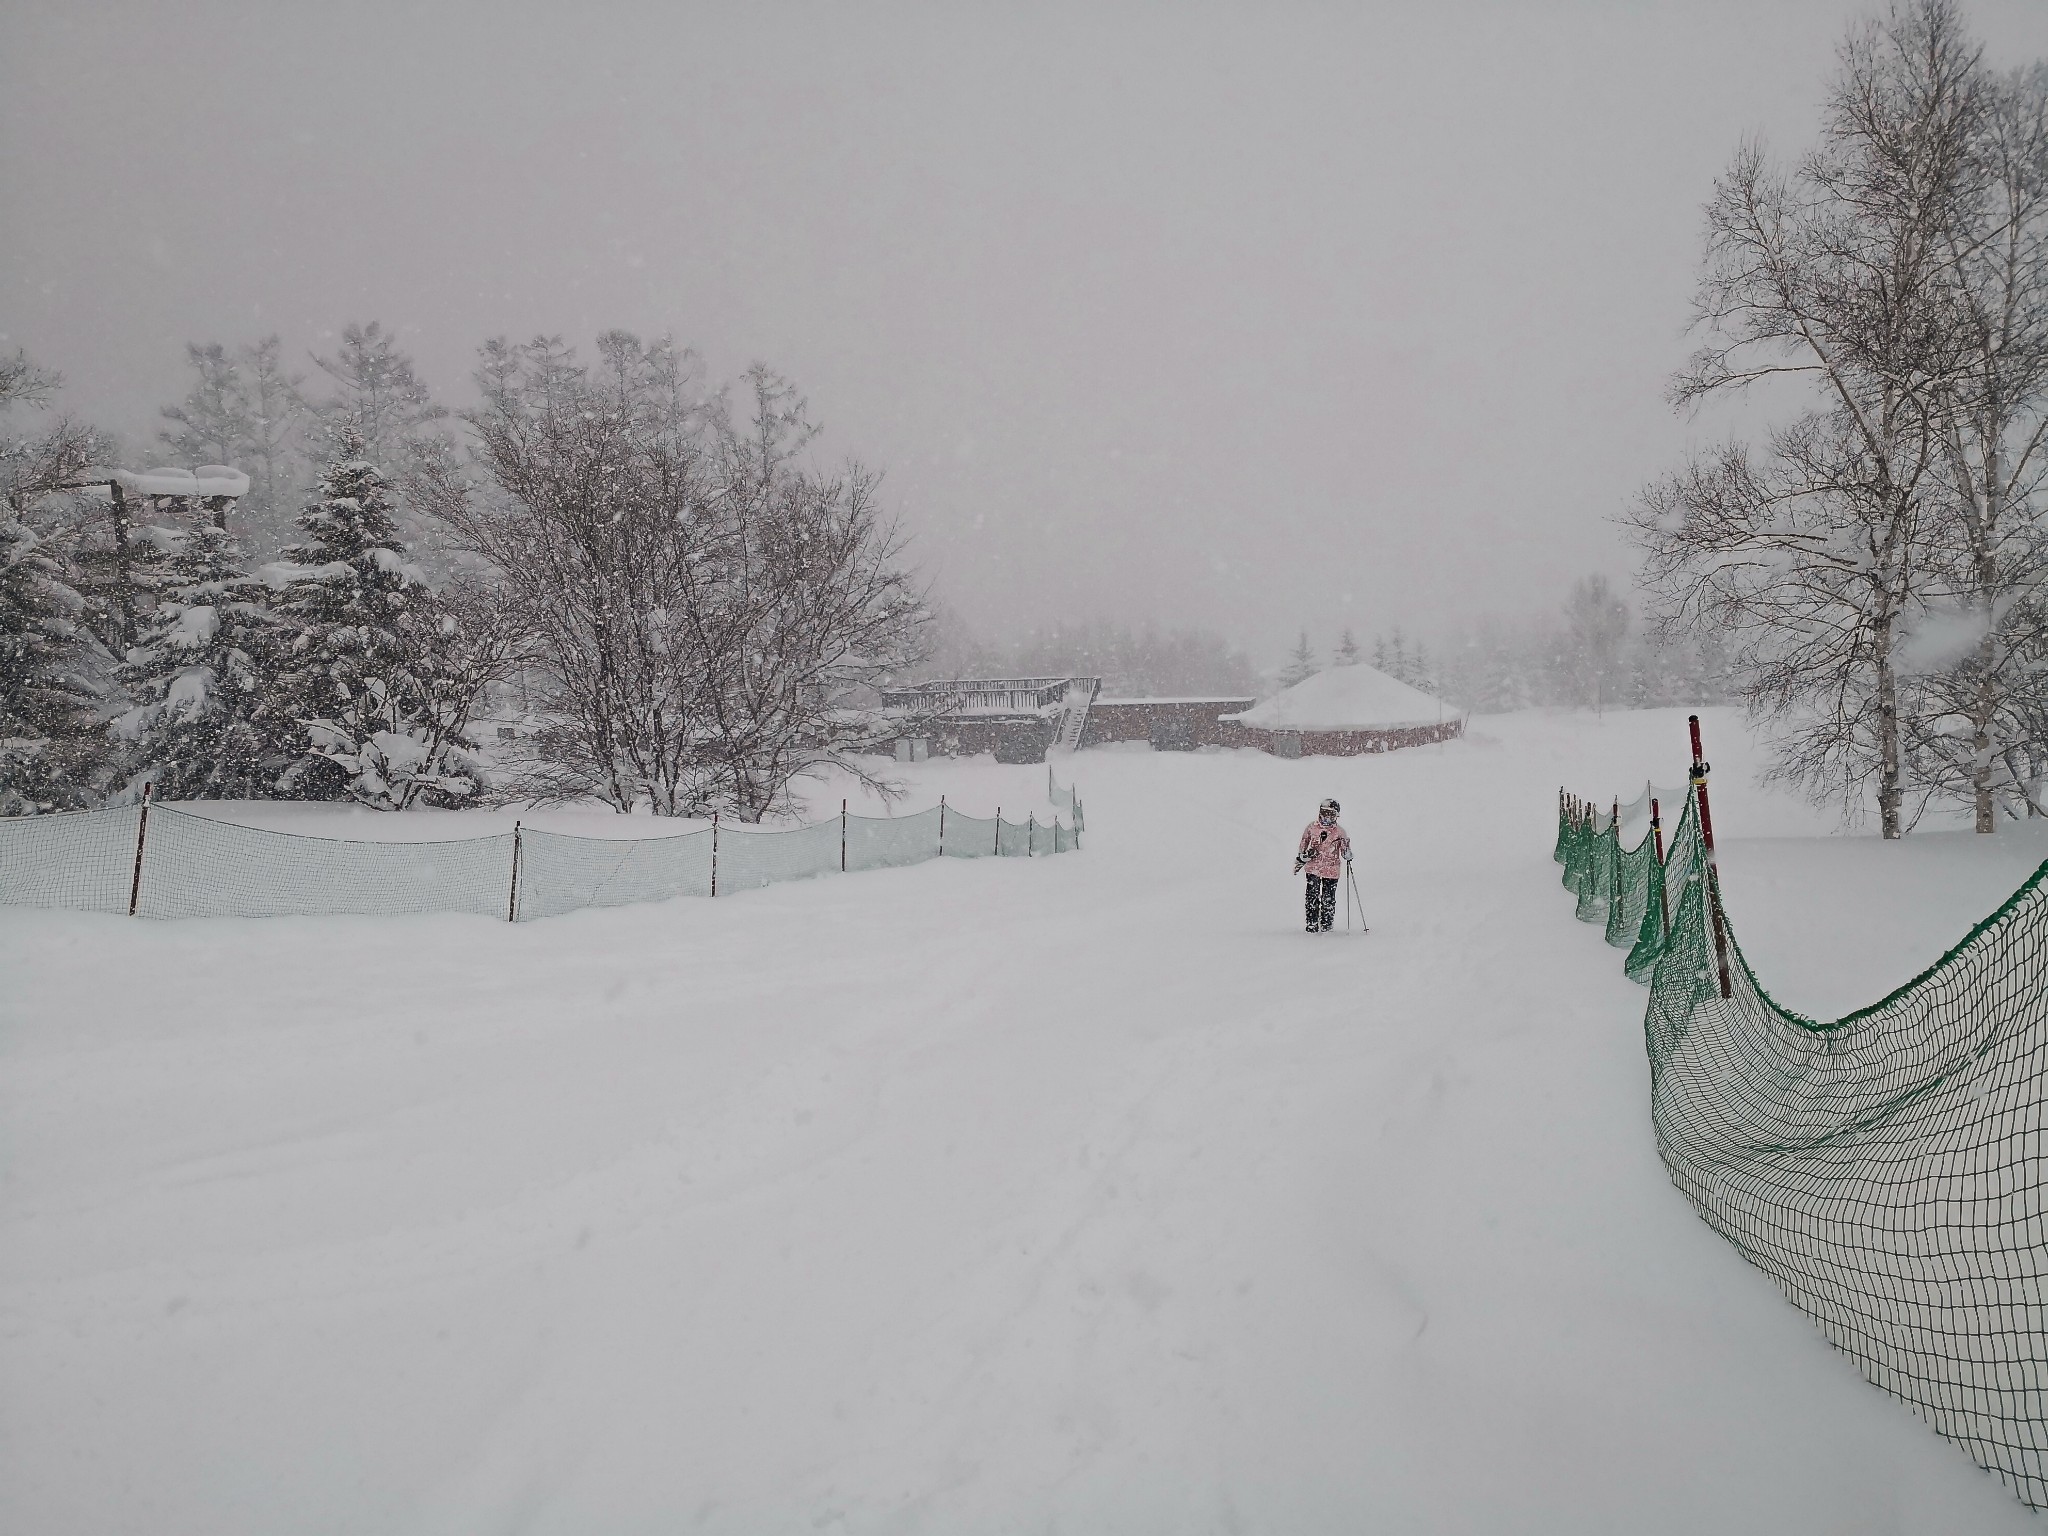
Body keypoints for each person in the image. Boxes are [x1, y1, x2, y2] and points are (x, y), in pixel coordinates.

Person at [1294, 798, 1352, 933]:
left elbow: (1345, 850)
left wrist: (1347, 853)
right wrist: (1302, 855)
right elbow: (1304, 843)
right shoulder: (1312, 827)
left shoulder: (1340, 832)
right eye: (1324, 813)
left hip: (1331, 870)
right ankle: (1312, 925)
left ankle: (1326, 925)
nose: (1326, 817)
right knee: (1311, 897)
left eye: (1331, 814)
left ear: (1336, 815)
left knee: (1328, 899)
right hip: (1313, 868)